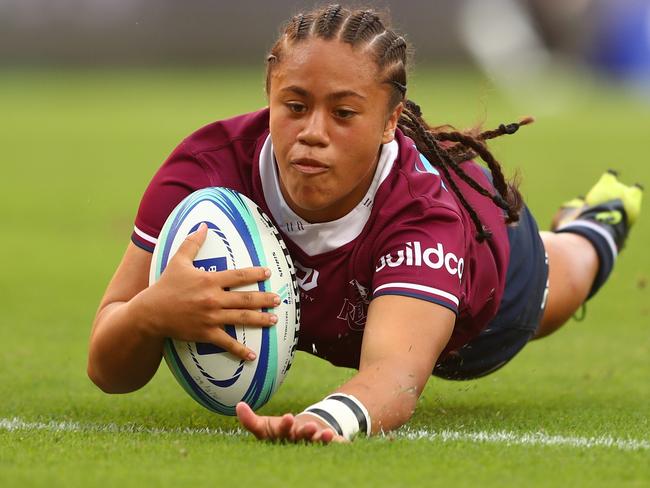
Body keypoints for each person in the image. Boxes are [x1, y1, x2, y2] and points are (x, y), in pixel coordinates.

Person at [88, 4, 643, 443]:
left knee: (563, 283)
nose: (313, 132)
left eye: (345, 113)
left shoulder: (425, 215)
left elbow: (394, 379)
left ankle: (599, 218)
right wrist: (150, 312)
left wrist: (328, 420)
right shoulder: (204, 170)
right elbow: (108, 369)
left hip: (475, 302)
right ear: (269, 97)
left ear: (390, 122)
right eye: (295, 105)